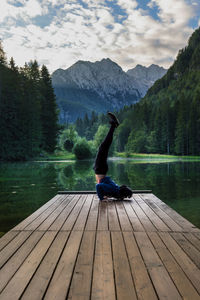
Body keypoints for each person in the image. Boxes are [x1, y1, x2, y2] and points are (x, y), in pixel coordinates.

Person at [94, 112, 133, 201]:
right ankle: (113, 125)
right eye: (124, 197)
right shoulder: (114, 190)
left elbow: (100, 186)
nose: (123, 198)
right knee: (103, 147)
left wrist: (104, 196)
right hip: (100, 169)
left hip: (100, 169)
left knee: (103, 147)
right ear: (122, 195)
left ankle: (113, 125)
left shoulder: (115, 190)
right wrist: (101, 198)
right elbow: (98, 186)